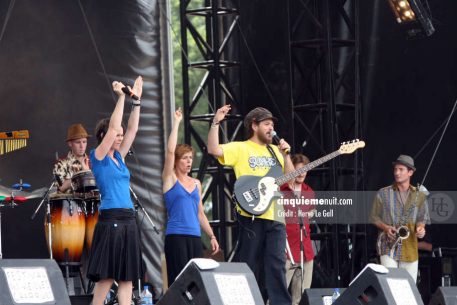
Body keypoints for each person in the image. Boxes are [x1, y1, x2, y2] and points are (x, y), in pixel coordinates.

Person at [207, 105, 294, 305]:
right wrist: (216, 122)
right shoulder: (241, 147)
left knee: (277, 265)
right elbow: (213, 149)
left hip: (275, 216)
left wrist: (287, 154)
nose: (271, 128)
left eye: (272, 124)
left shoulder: (275, 151)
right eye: (266, 124)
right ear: (254, 126)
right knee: (248, 264)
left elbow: (289, 179)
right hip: (251, 216)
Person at [87, 76, 144, 305]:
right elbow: (114, 127)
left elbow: (132, 129)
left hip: (128, 218)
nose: (120, 138)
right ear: (103, 137)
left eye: (120, 136)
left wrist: (137, 102)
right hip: (111, 218)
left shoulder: (119, 157)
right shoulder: (98, 157)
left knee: (127, 278)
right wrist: (121, 97)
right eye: (116, 136)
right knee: (107, 276)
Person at [162, 107, 220, 286]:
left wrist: (211, 236)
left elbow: (200, 213)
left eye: (191, 158)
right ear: (177, 161)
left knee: (196, 283)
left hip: (194, 237)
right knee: (179, 283)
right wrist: (177, 122)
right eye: (185, 158)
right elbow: (170, 152)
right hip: (176, 237)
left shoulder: (196, 184)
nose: (189, 162)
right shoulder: (169, 179)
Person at [371, 154, 429, 283]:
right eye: (395, 169)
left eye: (401, 169)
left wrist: (421, 229)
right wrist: (386, 228)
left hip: (410, 249)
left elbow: (422, 218)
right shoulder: (383, 193)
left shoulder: (419, 195)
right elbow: (373, 217)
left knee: (408, 289)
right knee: (391, 286)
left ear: (410, 172)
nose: (397, 173)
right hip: (388, 246)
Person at [280, 154, 315, 305]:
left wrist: (309, 214)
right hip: (286, 248)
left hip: (305, 249)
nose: (302, 173)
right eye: (298, 170)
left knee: (301, 296)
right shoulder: (282, 189)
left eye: (305, 170)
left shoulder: (309, 191)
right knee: (279, 292)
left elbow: (312, 212)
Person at [53, 123, 91, 192]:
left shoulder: (92, 161)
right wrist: (83, 175)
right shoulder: (61, 164)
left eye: (84, 142)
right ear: (70, 143)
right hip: (71, 202)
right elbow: (59, 189)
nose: (82, 146)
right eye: (78, 142)